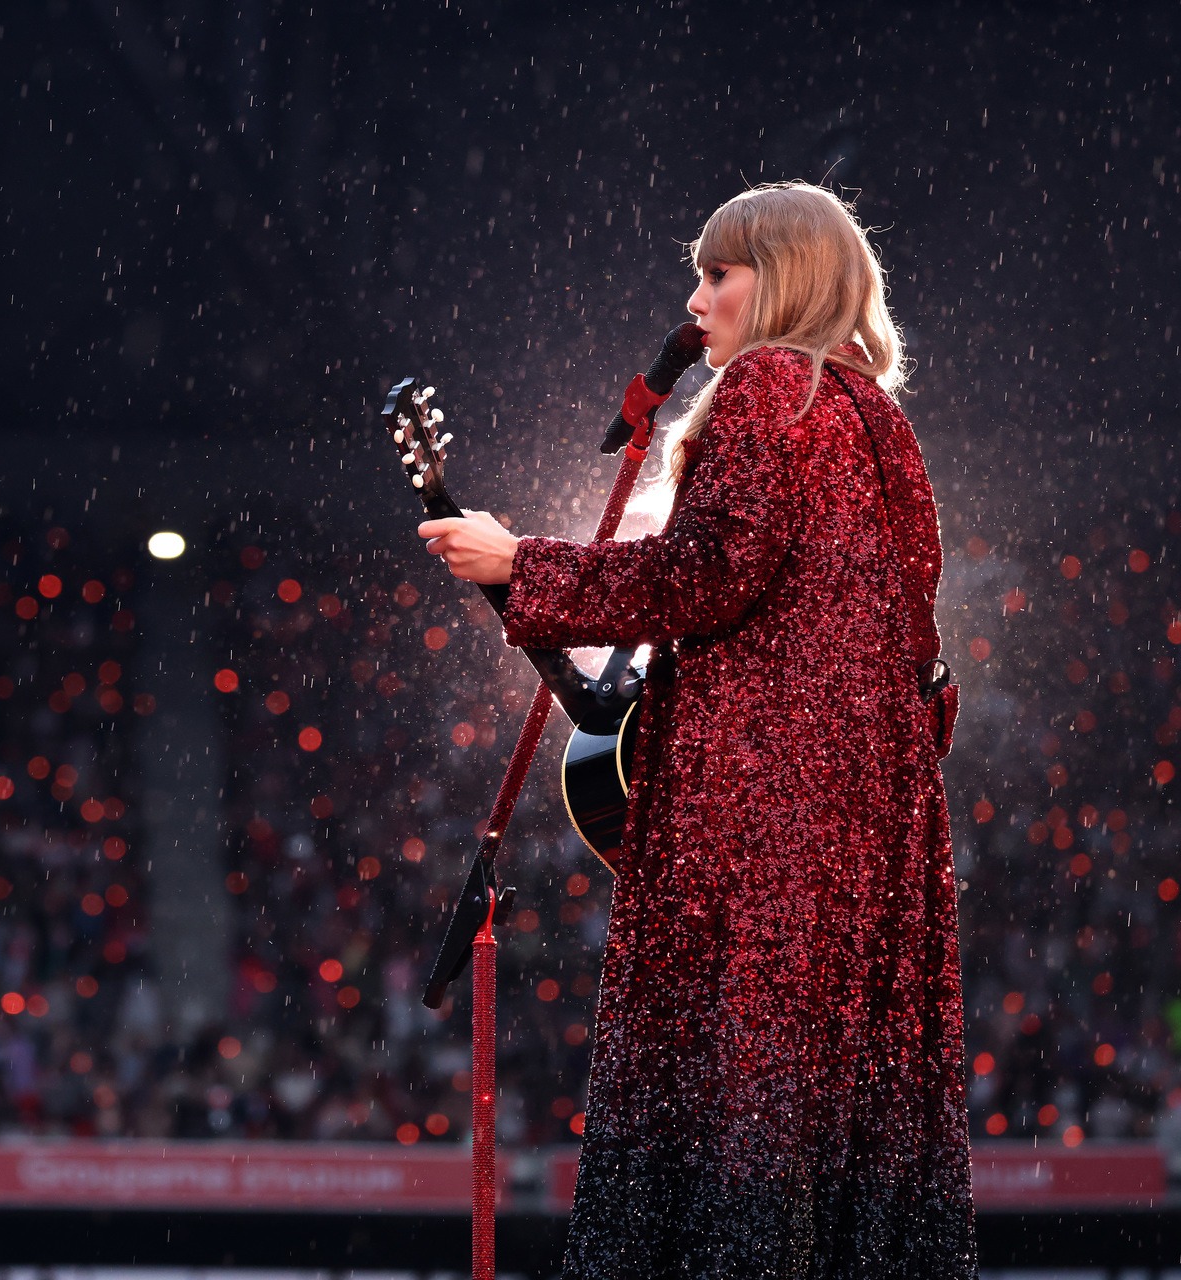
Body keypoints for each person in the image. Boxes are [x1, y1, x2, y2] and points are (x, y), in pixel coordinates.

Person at [417, 182, 975, 1278]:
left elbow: (710, 569)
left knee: (724, 1107)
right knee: (835, 1124)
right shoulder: (876, 414)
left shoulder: (773, 384)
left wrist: (520, 561)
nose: (696, 295)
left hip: (757, 813)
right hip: (870, 818)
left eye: (718, 273)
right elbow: (917, 637)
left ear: (786, 278)